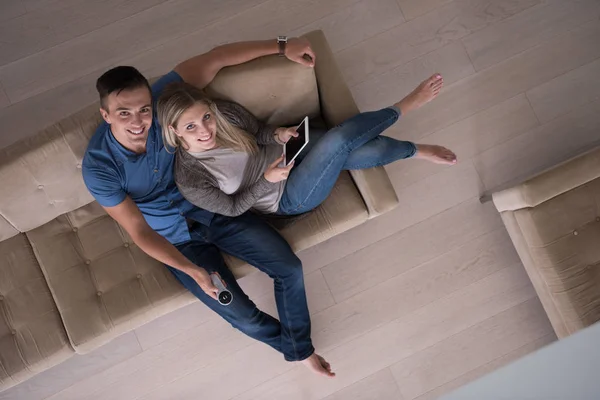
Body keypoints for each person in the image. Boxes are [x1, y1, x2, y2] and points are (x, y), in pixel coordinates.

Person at [82, 37, 335, 377]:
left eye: (144, 109)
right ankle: (299, 351)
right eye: (123, 113)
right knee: (240, 313)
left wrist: (282, 46)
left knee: (289, 267)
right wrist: (191, 270)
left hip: (216, 210)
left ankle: (299, 350)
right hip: (180, 242)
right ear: (105, 114)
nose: (138, 121)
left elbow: (215, 59)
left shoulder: (163, 105)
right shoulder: (99, 167)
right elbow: (139, 230)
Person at [156, 75, 457, 218]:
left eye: (206, 117)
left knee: (367, 151)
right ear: (174, 131)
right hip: (286, 196)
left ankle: (416, 150)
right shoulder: (190, 178)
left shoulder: (224, 114)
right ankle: (405, 106)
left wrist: (278, 135)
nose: (206, 130)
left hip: (292, 151)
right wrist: (266, 181)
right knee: (338, 140)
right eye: (191, 127)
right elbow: (233, 208)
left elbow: (259, 132)